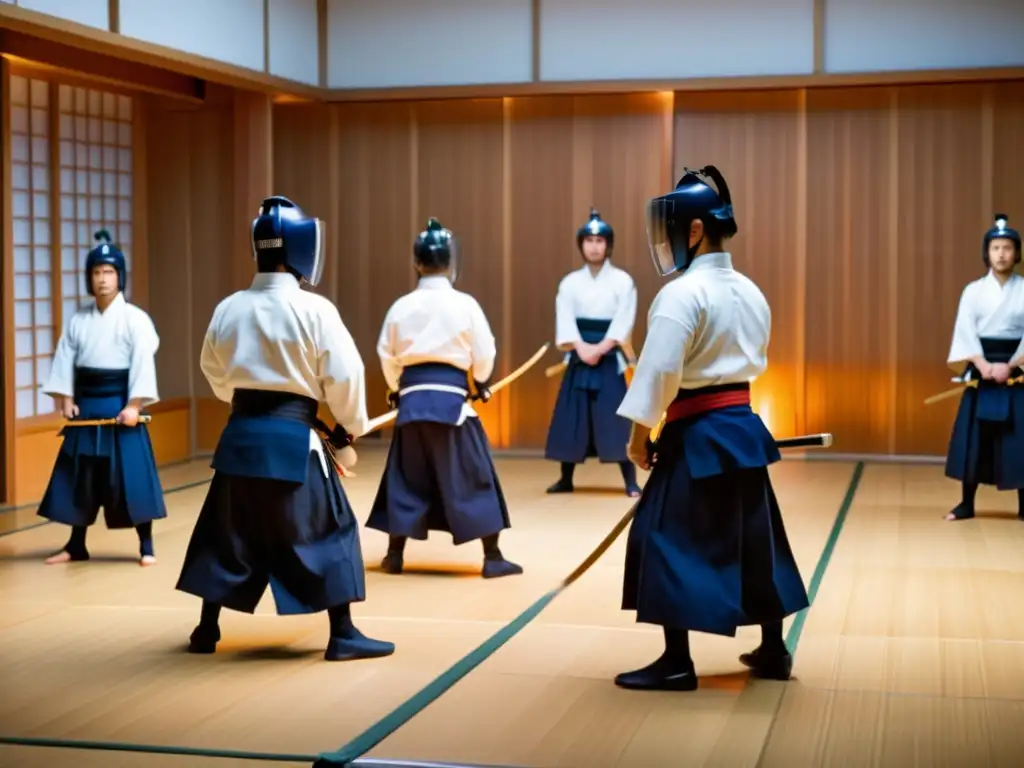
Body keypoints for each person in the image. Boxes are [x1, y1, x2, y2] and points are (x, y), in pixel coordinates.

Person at [613, 167, 810, 691]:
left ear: (694, 230)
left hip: (696, 434)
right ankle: (773, 649)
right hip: (742, 430)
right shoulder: (750, 290)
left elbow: (658, 374)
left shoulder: (681, 295)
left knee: (664, 539)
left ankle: (677, 661)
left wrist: (638, 439)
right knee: (754, 538)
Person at [175, 196, 394, 662]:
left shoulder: (228, 307)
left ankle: (205, 628)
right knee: (329, 530)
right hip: (295, 441)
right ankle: (344, 634)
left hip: (238, 440)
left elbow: (214, 373)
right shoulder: (314, 310)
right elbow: (345, 375)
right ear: (302, 247)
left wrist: (246, 398)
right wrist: (349, 425)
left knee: (226, 533)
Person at [366, 218, 522, 579]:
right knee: (473, 476)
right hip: (453, 404)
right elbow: (485, 350)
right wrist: (480, 380)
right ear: (452, 263)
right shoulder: (465, 304)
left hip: (412, 404)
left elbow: (387, 355)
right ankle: (493, 556)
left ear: (417, 262)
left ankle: (394, 554)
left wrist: (396, 389)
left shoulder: (400, 306)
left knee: (405, 478)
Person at [38, 230, 166, 567]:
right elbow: (65, 358)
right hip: (87, 405)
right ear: (88, 278)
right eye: (96, 272)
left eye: (109, 272)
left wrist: (134, 406)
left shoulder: (135, 320)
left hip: (120, 404)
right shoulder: (79, 320)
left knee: (132, 477)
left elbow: (142, 363)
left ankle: (146, 544)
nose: (102, 279)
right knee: (81, 477)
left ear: (120, 276)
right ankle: (76, 544)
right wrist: (65, 397)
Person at [544, 209, 641, 497]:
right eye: (589, 240)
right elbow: (565, 318)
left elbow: (624, 318)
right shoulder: (570, 282)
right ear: (581, 244)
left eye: (600, 240)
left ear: (608, 244)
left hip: (609, 357)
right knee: (571, 417)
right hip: (579, 354)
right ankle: (565, 478)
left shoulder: (623, 280)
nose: (594, 246)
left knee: (616, 418)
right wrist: (581, 348)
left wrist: (601, 348)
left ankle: (630, 480)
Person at [944, 213, 1024, 522]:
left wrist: (1012, 365)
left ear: (1016, 252)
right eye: (995, 248)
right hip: (982, 370)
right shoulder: (973, 291)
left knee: (1019, 437)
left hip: (1016, 370)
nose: (1001, 254)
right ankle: (966, 503)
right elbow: (965, 331)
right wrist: (983, 364)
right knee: (975, 438)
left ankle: (1023, 504)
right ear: (986, 253)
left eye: (1007, 248)